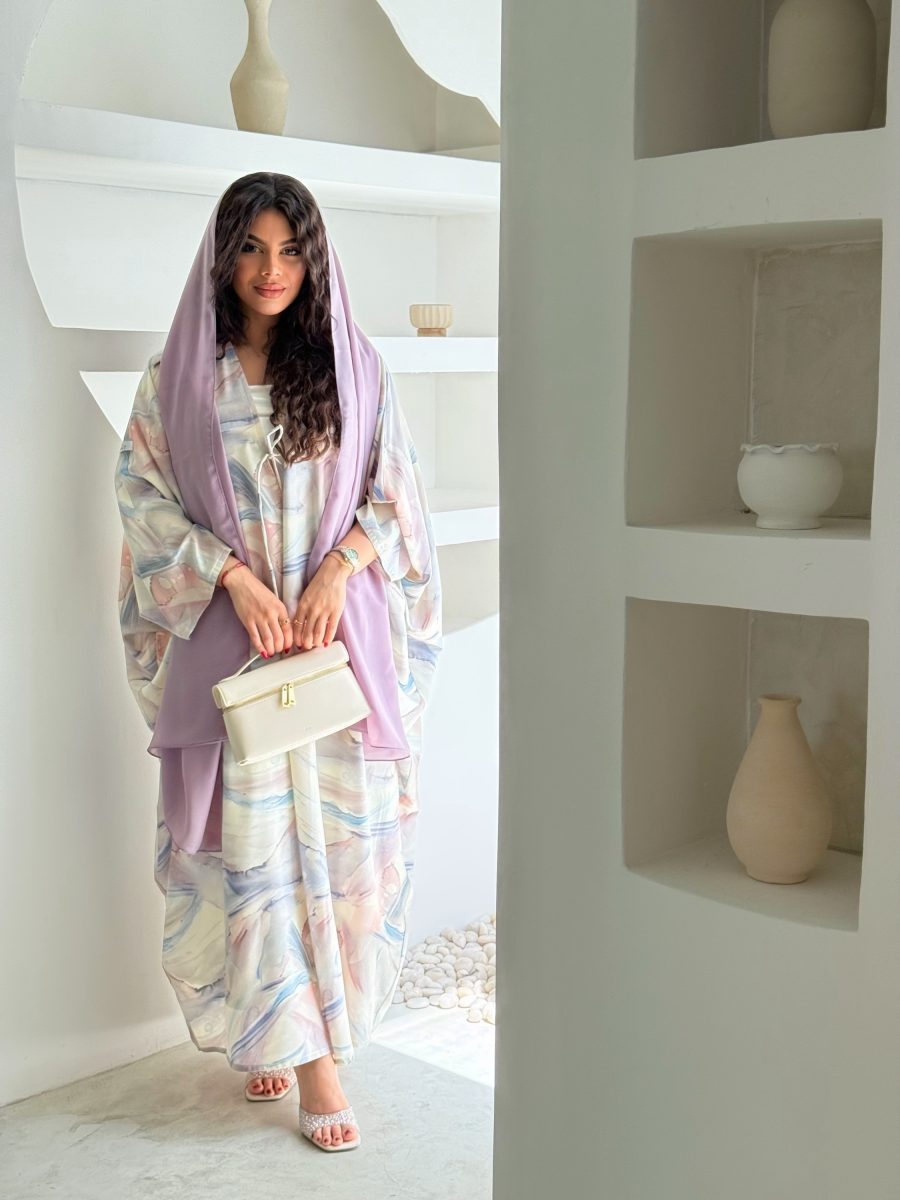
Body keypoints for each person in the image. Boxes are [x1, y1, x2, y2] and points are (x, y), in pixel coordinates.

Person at [114, 171, 443, 1152]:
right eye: (252, 248)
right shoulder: (177, 381)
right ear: (224, 258)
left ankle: (304, 1042)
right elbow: (144, 504)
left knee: (340, 855)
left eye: (291, 249)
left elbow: (397, 497)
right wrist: (234, 581)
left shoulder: (354, 369)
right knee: (246, 858)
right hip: (237, 655)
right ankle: (296, 1050)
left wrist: (337, 571)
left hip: (333, 656)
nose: (271, 269)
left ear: (314, 258)